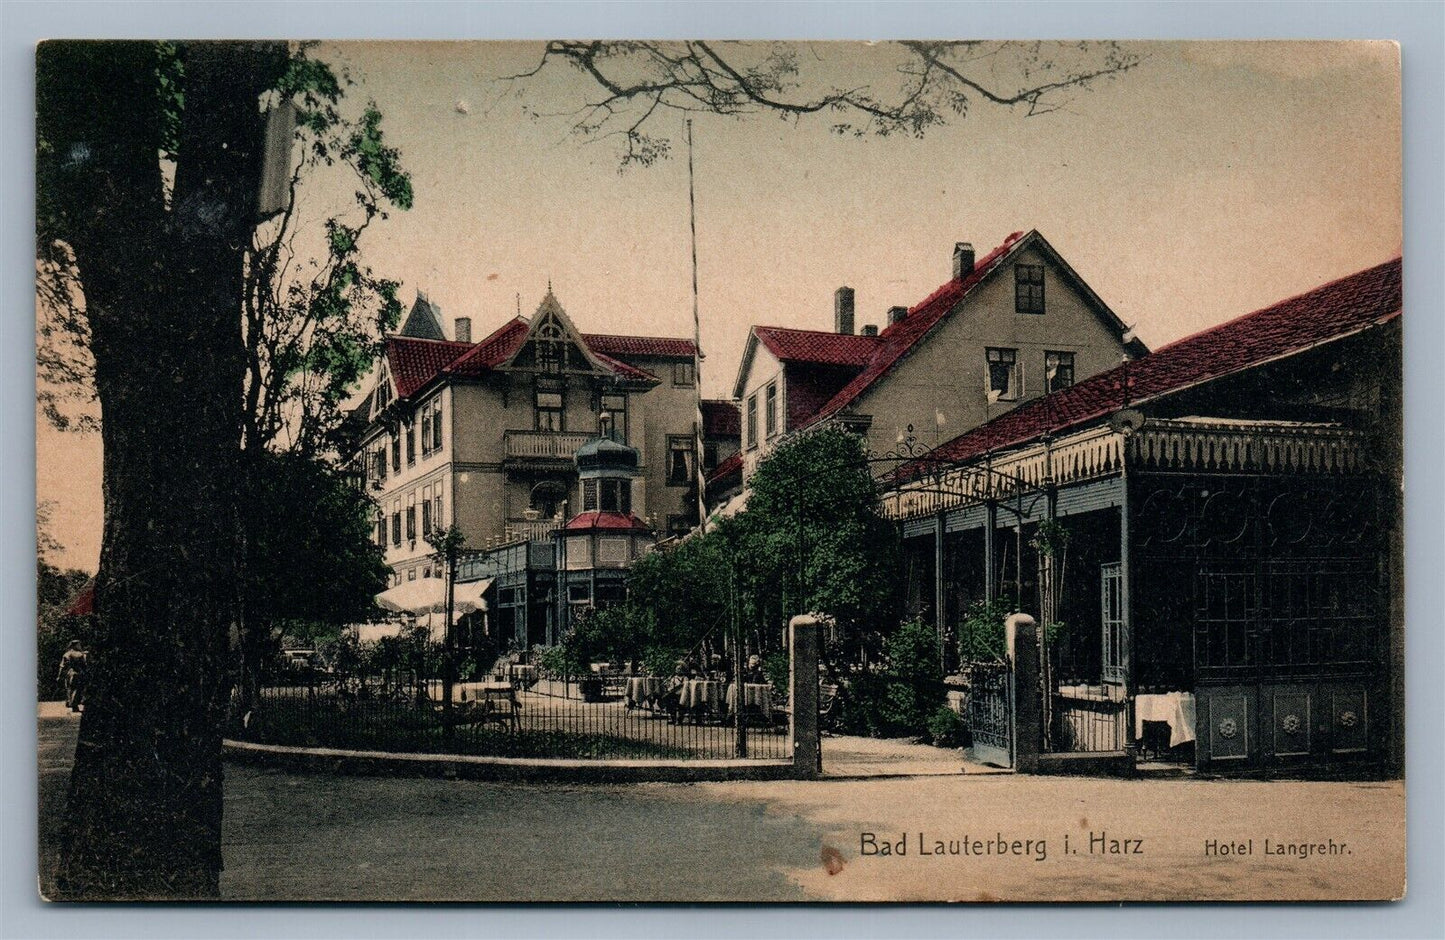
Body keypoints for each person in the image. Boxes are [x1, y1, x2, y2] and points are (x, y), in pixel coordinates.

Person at [57, 640, 87, 712]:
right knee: (77, 689)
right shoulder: (80, 654)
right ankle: (74, 704)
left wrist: (59, 676)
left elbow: (62, 666)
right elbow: (84, 665)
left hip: (69, 673)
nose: (80, 646)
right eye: (79, 645)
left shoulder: (67, 654)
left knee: (69, 688)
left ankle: (69, 701)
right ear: (76, 645)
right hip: (77, 673)